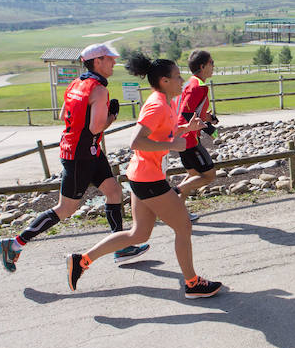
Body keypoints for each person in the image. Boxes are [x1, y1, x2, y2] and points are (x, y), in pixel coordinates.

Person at [67, 52, 222, 299]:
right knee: (183, 227)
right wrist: (173, 145)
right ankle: (192, 283)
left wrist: (185, 129)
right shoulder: (157, 104)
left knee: (138, 234)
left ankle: (82, 260)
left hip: (142, 176)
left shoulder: (166, 102)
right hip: (149, 179)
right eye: (177, 77)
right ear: (164, 81)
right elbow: (136, 141)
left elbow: (162, 132)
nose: (182, 81)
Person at [0, 43, 148, 272]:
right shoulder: (98, 90)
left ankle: (121, 246)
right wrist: (112, 116)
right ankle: (15, 244)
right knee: (66, 208)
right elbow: (97, 127)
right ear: (97, 61)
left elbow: (62, 115)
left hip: (86, 152)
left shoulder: (76, 85)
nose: (114, 62)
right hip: (80, 156)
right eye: (110, 58)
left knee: (114, 191)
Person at [175, 50, 219, 220]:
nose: (213, 66)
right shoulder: (197, 87)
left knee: (193, 175)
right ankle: (171, 195)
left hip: (184, 138)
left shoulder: (191, 83)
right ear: (202, 66)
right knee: (208, 175)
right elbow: (185, 114)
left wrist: (208, 118)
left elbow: (191, 111)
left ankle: (177, 210)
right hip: (188, 139)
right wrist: (207, 128)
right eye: (211, 63)